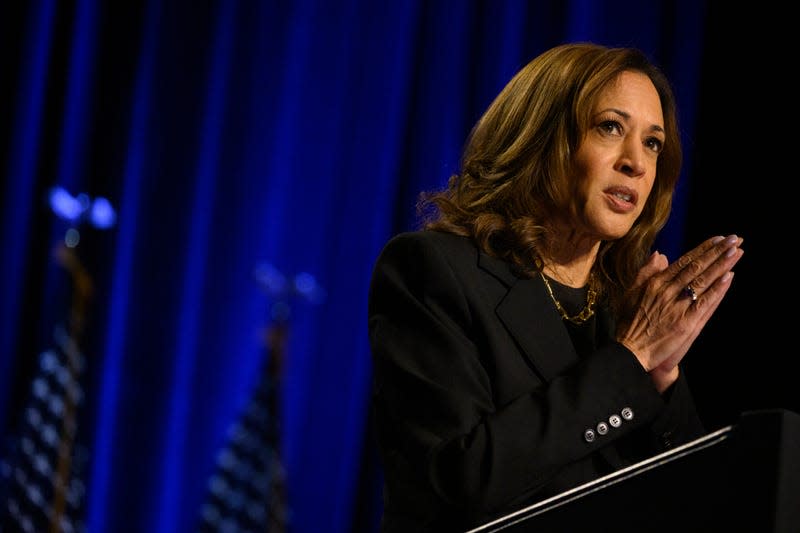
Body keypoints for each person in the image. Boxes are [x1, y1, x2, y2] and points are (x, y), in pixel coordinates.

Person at [366, 42, 744, 532]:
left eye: (653, 142)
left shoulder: (625, 308)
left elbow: (697, 504)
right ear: (542, 136)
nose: (637, 162)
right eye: (611, 127)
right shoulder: (433, 271)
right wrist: (629, 362)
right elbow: (461, 481)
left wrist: (661, 377)